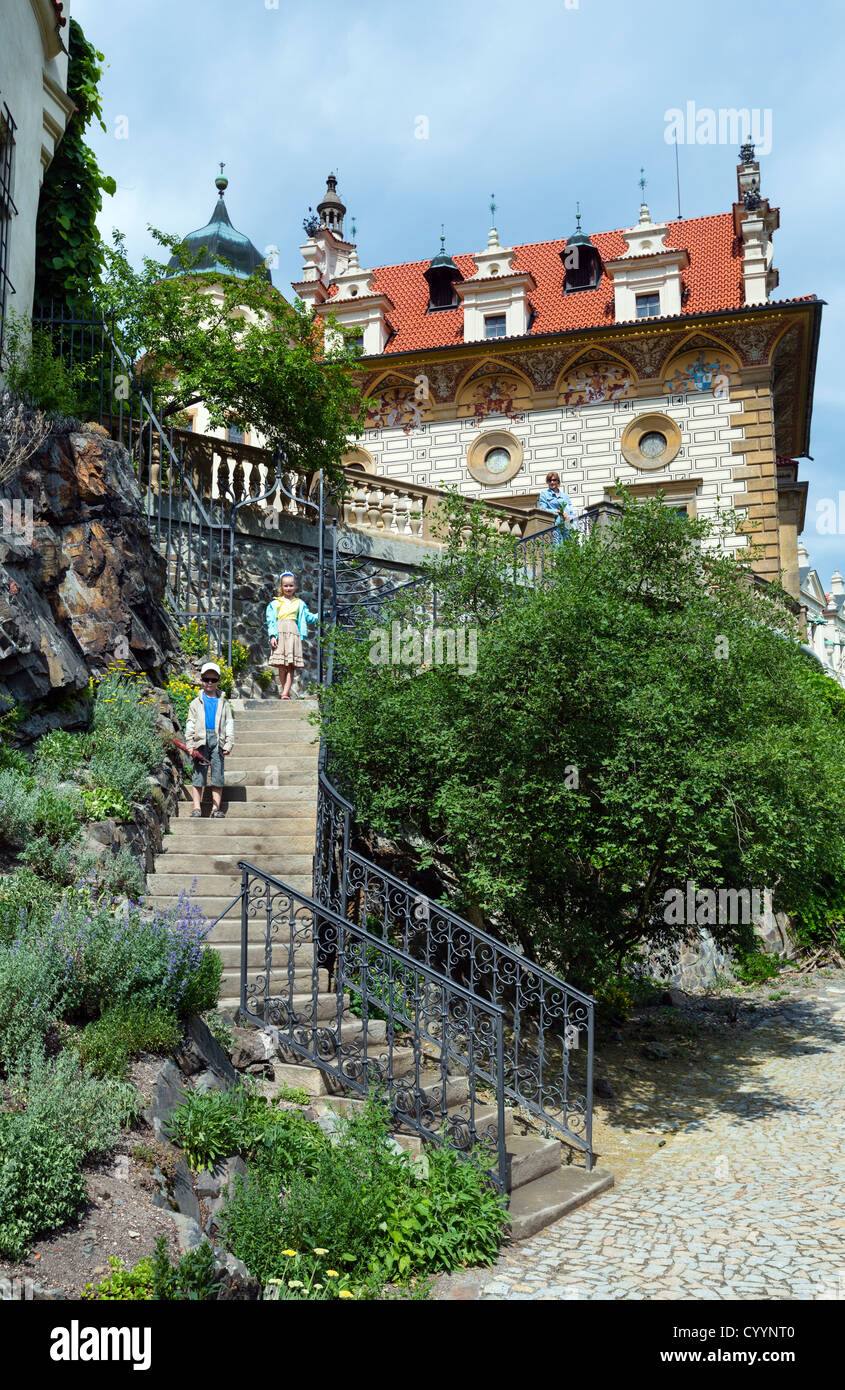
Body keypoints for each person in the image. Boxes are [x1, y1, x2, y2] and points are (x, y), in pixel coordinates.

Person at [185, 661, 235, 818]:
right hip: (200, 740)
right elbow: (190, 724)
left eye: (213, 680)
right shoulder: (195, 703)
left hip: (218, 740)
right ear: (201, 680)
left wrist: (228, 743)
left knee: (217, 774)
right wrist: (189, 744)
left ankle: (215, 808)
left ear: (219, 681)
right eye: (207, 679)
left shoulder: (224, 703)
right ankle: (196, 808)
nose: (210, 683)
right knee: (199, 774)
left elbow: (229, 723)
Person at [266, 571, 320, 699]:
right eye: (285, 586)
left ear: (295, 586)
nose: (288, 588)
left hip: (293, 633)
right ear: (281, 587)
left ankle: (284, 692)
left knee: (291, 665)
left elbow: (310, 617)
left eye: (291, 586)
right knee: (281, 664)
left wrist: (324, 614)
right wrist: (273, 636)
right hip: (280, 633)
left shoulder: (299, 603)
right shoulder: (275, 603)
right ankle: (285, 691)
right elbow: (271, 621)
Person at [538, 470, 575, 545]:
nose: (552, 482)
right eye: (549, 480)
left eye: (554, 480)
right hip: (554, 524)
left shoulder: (565, 496)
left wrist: (569, 516)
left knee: (568, 544)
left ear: (558, 481)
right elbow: (543, 510)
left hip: (566, 523)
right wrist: (556, 511)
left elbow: (570, 510)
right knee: (557, 545)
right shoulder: (544, 494)